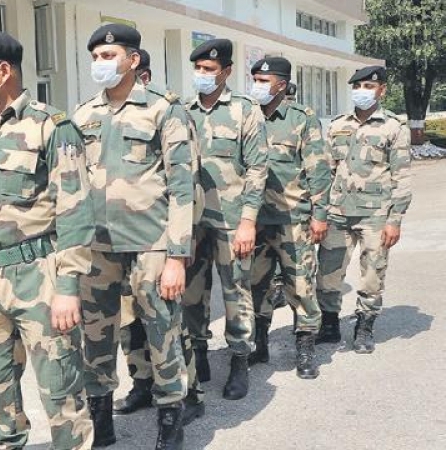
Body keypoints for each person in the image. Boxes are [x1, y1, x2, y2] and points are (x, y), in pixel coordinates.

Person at [0, 30, 95, 450]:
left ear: (3, 71)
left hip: (37, 276)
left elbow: (75, 211)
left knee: (61, 391)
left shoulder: (52, 126)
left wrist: (68, 286)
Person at [74, 24, 196, 449]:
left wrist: (177, 256)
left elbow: (182, 187)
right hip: (97, 247)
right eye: (95, 57)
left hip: (151, 245)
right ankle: (101, 422)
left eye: (108, 56)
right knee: (96, 336)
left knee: (162, 332)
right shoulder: (83, 115)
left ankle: (171, 421)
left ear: (133, 59)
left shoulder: (164, 109)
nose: (100, 63)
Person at [114, 48, 206, 428]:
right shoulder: (106, 116)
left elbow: (187, 183)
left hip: (158, 238)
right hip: (118, 240)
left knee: (169, 324)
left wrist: (180, 247)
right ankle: (141, 382)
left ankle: (190, 392)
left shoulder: (170, 114)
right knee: (128, 322)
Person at [182, 38, 268, 400]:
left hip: (231, 221)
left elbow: (258, 169)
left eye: (209, 69)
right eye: (198, 68)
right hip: (191, 221)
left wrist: (248, 221)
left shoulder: (245, 111)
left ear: (227, 72)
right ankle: (198, 354)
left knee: (236, 290)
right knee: (191, 291)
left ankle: (239, 360)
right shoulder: (183, 111)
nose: (202, 74)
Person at [315, 65, 412, 353]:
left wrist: (395, 219)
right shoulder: (337, 125)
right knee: (328, 272)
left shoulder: (394, 127)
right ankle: (329, 324)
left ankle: (364, 327)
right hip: (337, 212)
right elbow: (325, 172)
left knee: (372, 273)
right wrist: (319, 212)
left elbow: (402, 177)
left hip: (375, 215)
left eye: (369, 87)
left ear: (382, 90)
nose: (362, 92)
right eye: (357, 87)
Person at [247, 57, 331, 379]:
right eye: (255, 79)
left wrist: (319, 215)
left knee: (300, 284)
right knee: (257, 284)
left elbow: (318, 170)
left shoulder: (302, 118)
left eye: (263, 81)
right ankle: (259, 343)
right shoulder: (248, 116)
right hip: (255, 220)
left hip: (293, 218)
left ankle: (305, 349)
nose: (257, 86)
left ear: (281, 85)